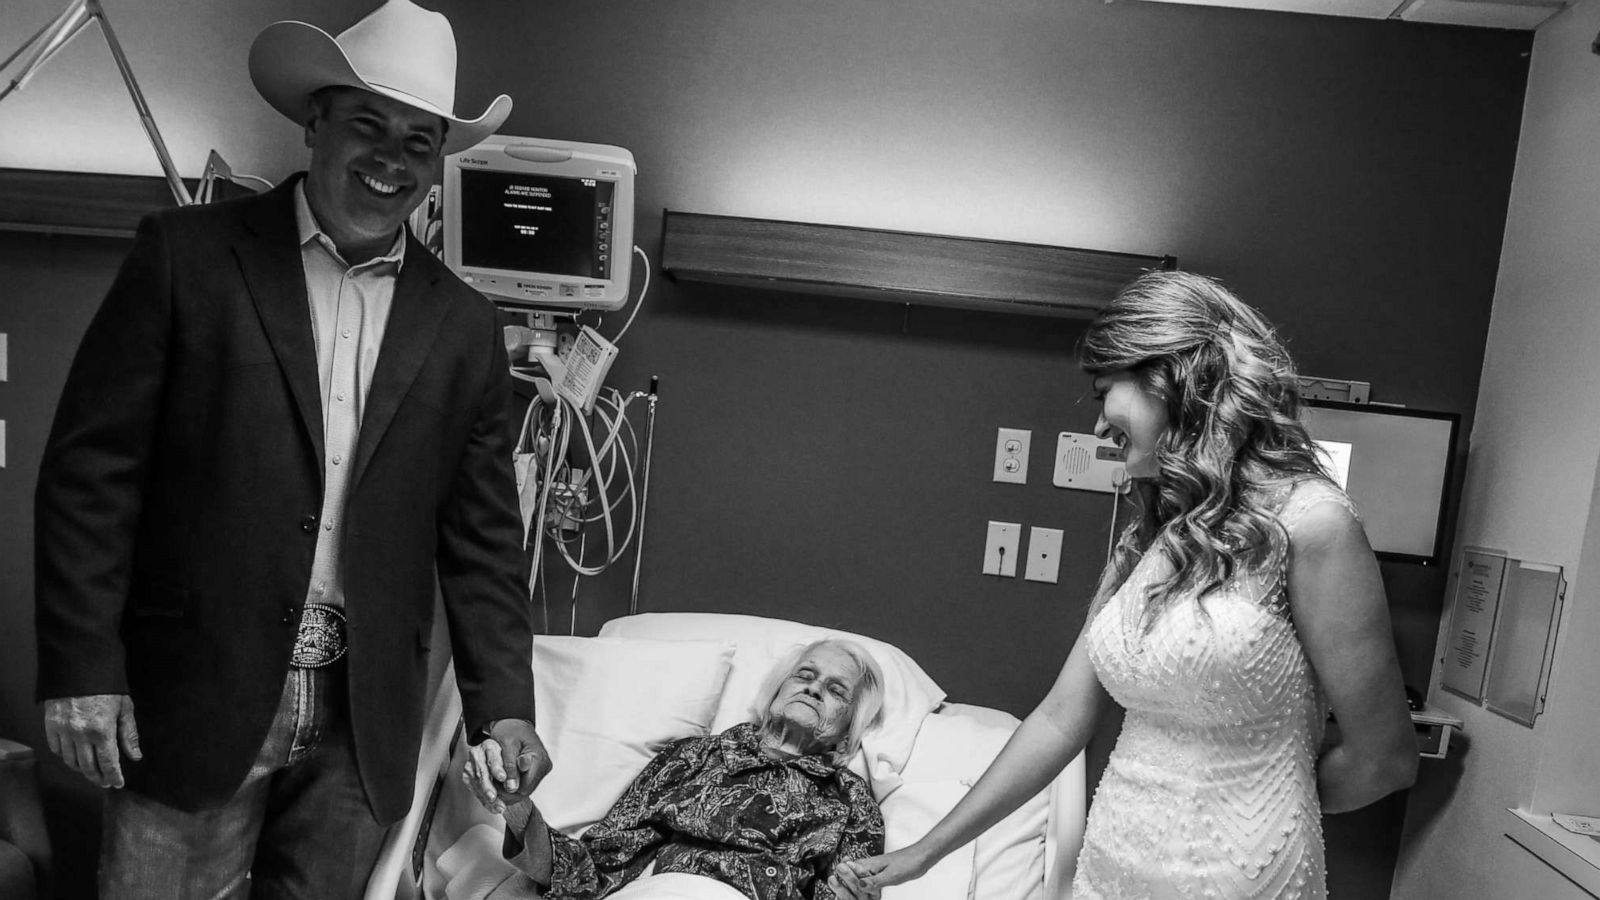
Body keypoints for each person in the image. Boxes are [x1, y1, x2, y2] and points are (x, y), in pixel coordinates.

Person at [32, 2, 550, 896]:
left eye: (419, 142)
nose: (392, 161)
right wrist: (82, 668)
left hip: (361, 723)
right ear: (315, 119)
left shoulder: (463, 325)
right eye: (367, 126)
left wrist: (503, 708)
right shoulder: (187, 259)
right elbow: (91, 478)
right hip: (192, 699)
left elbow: (484, 542)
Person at [837, 271, 1419, 899]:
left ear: (1173, 378)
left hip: (1242, 877)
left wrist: (1269, 806)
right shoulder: (1149, 536)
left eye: (1103, 392)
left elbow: (1385, 758)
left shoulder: (1314, 524)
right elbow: (1062, 718)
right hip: (1113, 863)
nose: (1096, 427)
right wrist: (926, 852)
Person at [463, 639, 888, 900]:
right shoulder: (694, 757)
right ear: (777, 689)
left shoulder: (850, 799)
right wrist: (517, 806)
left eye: (835, 690)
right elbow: (592, 869)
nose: (813, 688)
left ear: (849, 726)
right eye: (805, 675)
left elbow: (845, 894)